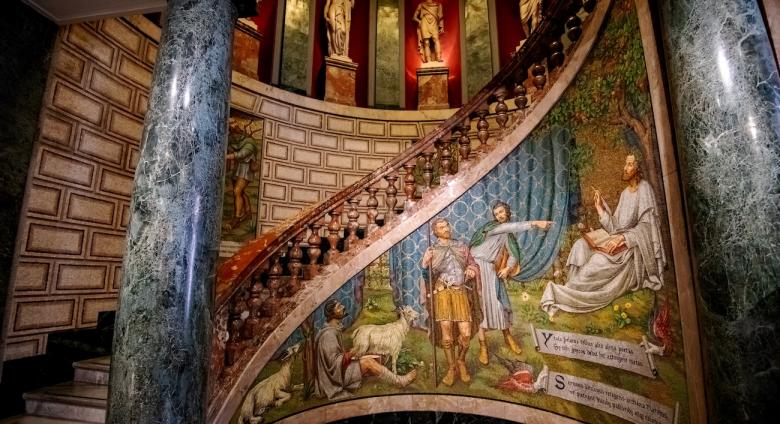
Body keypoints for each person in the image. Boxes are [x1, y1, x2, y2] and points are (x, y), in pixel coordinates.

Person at [540, 154, 666, 317]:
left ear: (638, 168)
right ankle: (571, 288)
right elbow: (616, 227)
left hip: (632, 248)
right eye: (625, 164)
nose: (625, 168)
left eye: (629, 164)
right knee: (580, 246)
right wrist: (599, 207)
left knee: (597, 261)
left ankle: (562, 295)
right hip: (617, 240)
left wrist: (624, 238)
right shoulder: (625, 194)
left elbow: (648, 228)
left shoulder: (645, 189)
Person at [469, 202, 552, 365]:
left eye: (502, 212)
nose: (499, 215)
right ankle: (483, 346)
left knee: (499, 306)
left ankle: (508, 337)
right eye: (496, 213)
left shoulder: (508, 235)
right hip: (476, 268)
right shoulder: (493, 228)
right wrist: (535, 223)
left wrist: (507, 268)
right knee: (480, 307)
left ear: (507, 212)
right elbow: (508, 228)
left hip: (491, 270)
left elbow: (513, 254)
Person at [314, 299, 417, 400]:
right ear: (332, 314)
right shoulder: (328, 335)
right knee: (368, 362)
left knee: (372, 357)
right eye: (339, 307)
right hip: (335, 378)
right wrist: (353, 352)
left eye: (341, 305)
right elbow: (334, 363)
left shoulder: (333, 330)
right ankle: (400, 381)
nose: (343, 307)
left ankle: (387, 374)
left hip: (338, 372)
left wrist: (353, 353)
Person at [420, 218, 480, 386]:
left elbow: (473, 264)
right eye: (441, 227)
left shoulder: (461, 246)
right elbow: (428, 278)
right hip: (443, 293)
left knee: (466, 334)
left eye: (447, 225)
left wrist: (472, 270)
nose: (446, 229)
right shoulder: (433, 250)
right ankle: (452, 367)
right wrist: (425, 263)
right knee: (447, 337)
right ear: (435, 232)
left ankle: (461, 360)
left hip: (460, 291)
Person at [223, 125, 259, 231]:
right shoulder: (238, 141)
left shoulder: (249, 143)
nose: (233, 136)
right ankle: (248, 212)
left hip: (246, 170)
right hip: (239, 168)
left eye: (234, 133)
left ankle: (236, 218)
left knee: (237, 191)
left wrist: (225, 156)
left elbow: (242, 154)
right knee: (241, 192)